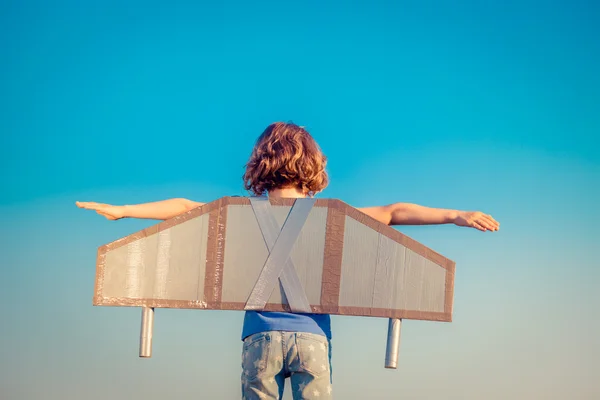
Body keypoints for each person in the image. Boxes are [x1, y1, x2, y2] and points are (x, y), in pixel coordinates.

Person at [76, 122, 499, 400]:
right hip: (313, 339)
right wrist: (454, 215)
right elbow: (393, 211)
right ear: (312, 166)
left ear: (262, 164)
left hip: (259, 338)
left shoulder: (241, 213)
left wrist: (124, 209)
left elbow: (185, 206)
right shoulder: (331, 216)